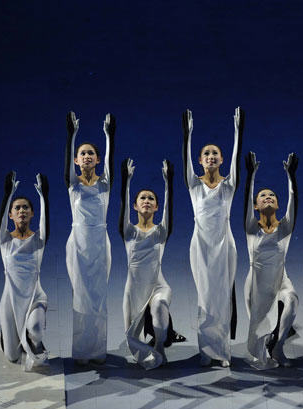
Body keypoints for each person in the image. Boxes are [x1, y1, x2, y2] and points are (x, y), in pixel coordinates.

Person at [182, 107, 243, 367]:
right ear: (199, 159)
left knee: (222, 297)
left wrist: (238, 131)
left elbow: (237, 160)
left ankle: (223, 351)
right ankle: (206, 350)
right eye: (206, 153)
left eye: (215, 153)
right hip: (201, 246)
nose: (210, 157)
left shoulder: (228, 186)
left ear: (221, 159)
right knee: (205, 297)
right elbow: (184, 156)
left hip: (224, 244)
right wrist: (189, 133)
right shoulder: (194, 185)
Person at [119, 158, 181, 369]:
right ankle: (157, 340)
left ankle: (161, 346)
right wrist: (126, 181)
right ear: (135, 205)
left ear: (156, 207)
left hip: (158, 285)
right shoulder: (128, 232)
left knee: (161, 306)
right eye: (142, 198)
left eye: (151, 199)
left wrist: (168, 182)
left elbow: (169, 209)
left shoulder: (161, 232)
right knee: (131, 339)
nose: (146, 200)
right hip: (134, 290)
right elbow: (123, 206)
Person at [64, 111, 115, 365]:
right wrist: (71, 135)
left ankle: (97, 351)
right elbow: (67, 166)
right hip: (78, 243)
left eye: (90, 154)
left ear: (97, 160)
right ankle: (81, 352)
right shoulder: (72, 183)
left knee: (98, 297)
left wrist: (108, 135)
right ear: (76, 160)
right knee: (80, 296)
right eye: (82, 153)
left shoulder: (104, 184)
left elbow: (111, 160)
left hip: (99, 243)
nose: (86, 156)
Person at [243, 151, 299, 369]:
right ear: (256, 206)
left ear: (277, 205)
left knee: (292, 299)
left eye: (272, 196)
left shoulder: (284, 228)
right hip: (256, 284)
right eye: (263, 195)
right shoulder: (251, 227)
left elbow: (294, 202)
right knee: (259, 331)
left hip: (280, 279)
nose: (268, 197)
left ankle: (279, 346)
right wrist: (251, 175)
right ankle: (266, 344)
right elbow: (246, 198)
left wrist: (290, 176)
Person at [0, 172, 49, 371]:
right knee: (11, 356)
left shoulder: (39, 240)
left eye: (25, 207)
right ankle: (10, 337)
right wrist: (8, 194)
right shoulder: (5, 240)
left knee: (36, 330)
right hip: (10, 299)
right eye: (17, 208)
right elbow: (0, 220)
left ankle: (35, 341)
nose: (21, 211)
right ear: (11, 214)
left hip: (34, 296)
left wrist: (43, 196)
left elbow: (46, 221)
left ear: (32, 213)